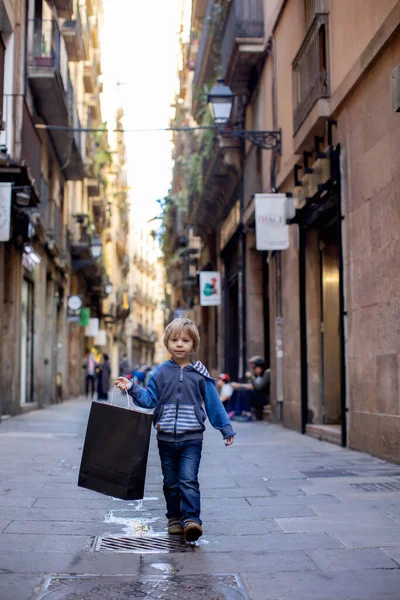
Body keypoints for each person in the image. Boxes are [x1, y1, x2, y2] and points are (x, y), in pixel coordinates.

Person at [114, 317, 235, 542]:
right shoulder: (160, 372)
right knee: (170, 481)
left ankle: (191, 521)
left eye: (185, 340)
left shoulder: (200, 373)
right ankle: (174, 518)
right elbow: (150, 400)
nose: (180, 344)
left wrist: (225, 427)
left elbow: (213, 402)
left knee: (188, 479)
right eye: (174, 340)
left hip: (192, 438)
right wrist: (132, 388)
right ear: (167, 343)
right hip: (166, 438)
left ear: (193, 345)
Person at [227, 356, 270, 422]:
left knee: (246, 391)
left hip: (264, 399)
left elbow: (258, 387)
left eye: (254, 368)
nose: (253, 370)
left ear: (259, 367)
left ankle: (247, 414)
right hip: (257, 397)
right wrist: (239, 385)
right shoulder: (257, 375)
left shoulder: (267, 373)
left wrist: (251, 377)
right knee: (239, 390)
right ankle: (234, 411)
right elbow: (252, 385)